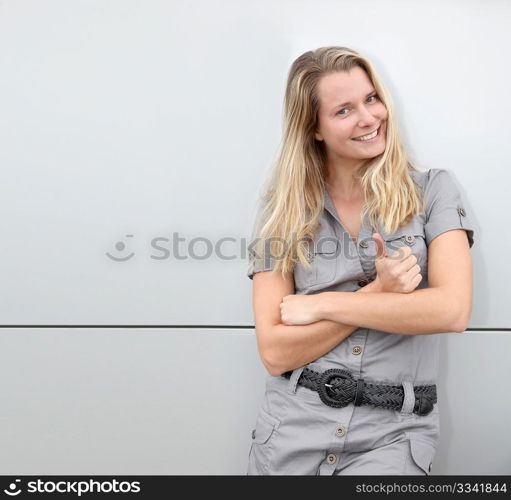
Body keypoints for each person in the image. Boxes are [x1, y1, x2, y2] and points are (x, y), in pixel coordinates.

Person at [246, 46, 475, 476]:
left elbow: (452, 310)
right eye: (344, 110)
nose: (370, 118)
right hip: (291, 428)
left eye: (371, 99)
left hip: (393, 437)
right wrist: (380, 293)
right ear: (313, 128)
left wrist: (322, 304)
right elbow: (275, 352)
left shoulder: (434, 191)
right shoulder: (281, 211)